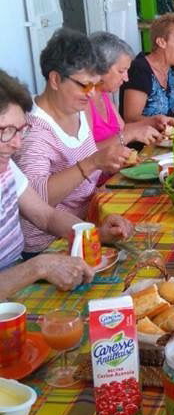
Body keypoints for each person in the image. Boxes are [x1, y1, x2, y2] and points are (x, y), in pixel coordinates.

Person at [15, 29, 133, 255]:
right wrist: (93, 162)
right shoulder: (33, 131)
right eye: (85, 85)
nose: (91, 94)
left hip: (87, 225)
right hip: (50, 245)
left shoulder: (77, 109)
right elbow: (38, 201)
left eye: (95, 85)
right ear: (55, 79)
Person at [0, 69, 116, 295]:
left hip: (18, 286)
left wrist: (93, 234)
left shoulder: (7, 167)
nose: (17, 144)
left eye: (21, 131)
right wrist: (38, 267)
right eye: (7, 131)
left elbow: (46, 216)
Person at [120, 14, 174, 125]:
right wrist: (172, 121)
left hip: (172, 134)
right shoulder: (140, 69)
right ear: (161, 42)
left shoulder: (172, 69)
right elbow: (131, 119)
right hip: (146, 136)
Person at [87, 32, 162, 147]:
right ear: (100, 67)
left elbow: (121, 129)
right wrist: (130, 135)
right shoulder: (83, 101)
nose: (126, 78)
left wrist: (154, 121)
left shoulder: (103, 94)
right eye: (121, 71)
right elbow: (86, 153)